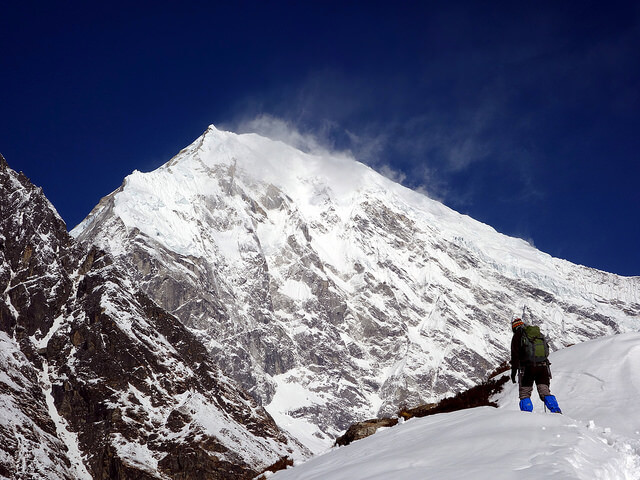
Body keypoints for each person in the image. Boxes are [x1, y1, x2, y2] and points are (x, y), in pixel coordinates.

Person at [510, 317, 562, 413]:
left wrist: (513, 372)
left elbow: (515, 356)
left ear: (514, 327)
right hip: (543, 367)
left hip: (527, 369)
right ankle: (556, 411)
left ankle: (527, 415)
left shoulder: (518, 336)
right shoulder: (538, 334)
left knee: (525, 394)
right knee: (545, 391)